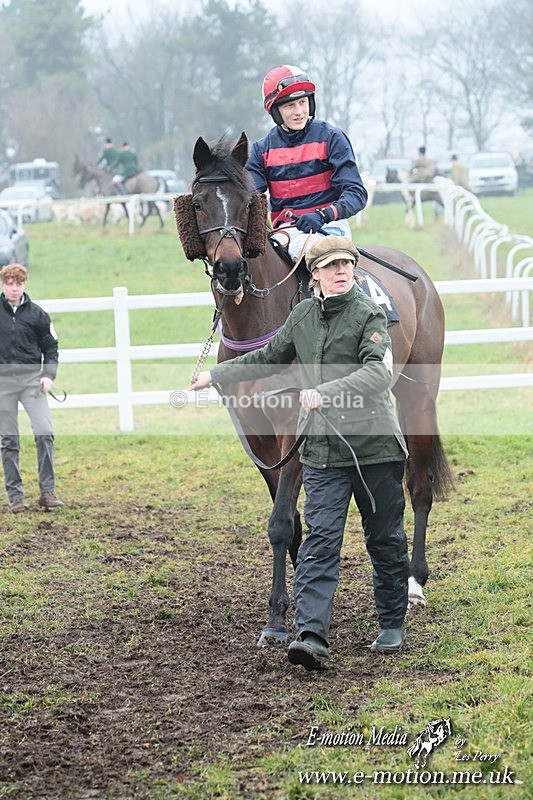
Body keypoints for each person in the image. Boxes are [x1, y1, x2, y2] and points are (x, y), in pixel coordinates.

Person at [190, 235, 409, 671]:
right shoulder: (303, 316)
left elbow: (377, 375)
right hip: (323, 450)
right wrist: (216, 375)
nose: (341, 271)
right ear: (315, 276)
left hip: (374, 448)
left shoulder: (370, 314)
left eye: (346, 264)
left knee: (384, 540)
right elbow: (269, 355)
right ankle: (311, 635)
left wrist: (324, 392)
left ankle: (391, 623)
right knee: (319, 542)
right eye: (331, 266)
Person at [246, 64, 367, 263]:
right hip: (284, 233)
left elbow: (356, 193)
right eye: (289, 106)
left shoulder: (331, 137)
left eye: (303, 102)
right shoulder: (261, 150)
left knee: (308, 252)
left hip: (330, 227)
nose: (299, 112)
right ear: (275, 111)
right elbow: (250, 200)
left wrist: (323, 215)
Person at [0, 264, 64, 513]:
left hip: (32, 382)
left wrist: (48, 375)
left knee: (44, 431)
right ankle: (16, 496)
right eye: (9, 284)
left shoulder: (38, 315)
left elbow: (51, 347)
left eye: (18, 284)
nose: (14, 289)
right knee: (9, 439)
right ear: (3, 285)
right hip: (4, 384)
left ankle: (47, 491)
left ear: (24, 285)